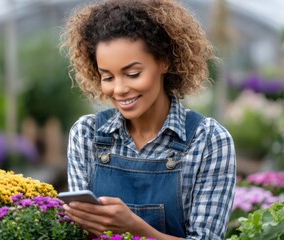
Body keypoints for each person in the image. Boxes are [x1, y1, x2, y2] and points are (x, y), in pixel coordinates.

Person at [60, 0, 236, 239]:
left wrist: (135, 228)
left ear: (164, 61)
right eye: (108, 77)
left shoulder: (208, 141)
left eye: (132, 74)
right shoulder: (86, 133)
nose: (119, 89)